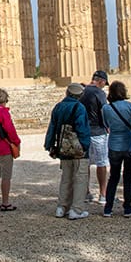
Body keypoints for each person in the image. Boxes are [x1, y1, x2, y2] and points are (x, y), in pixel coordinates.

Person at [44, 83, 91, 219]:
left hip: (63, 148)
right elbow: (82, 129)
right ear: (80, 95)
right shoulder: (79, 107)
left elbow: (52, 127)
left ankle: (61, 207)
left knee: (66, 178)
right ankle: (76, 210)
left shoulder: (58, 107)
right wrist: (85, 146)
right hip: (77, 149)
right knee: (80, 178)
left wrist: (50, 145)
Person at [101, 81, 131, 218]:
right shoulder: (130, 106)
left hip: (114, 145)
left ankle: (108, 208)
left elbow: (106, 125)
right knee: (128, 178)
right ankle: (127, 208)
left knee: (113, 177)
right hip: (129, 145)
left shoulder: (106, 109)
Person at [79, 70, 109, 204]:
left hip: (83, 132)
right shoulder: (99, 93)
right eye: (104, 84)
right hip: (98, 132)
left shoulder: (81, 92)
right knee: (101, 163)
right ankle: (103, 194)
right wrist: (107, 125)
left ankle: (86, 193)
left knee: (85, 163)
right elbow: (104, 111)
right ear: (101, 81)